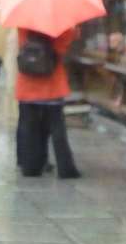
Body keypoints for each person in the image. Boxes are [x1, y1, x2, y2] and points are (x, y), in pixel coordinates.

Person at [15, 28, 81, 179]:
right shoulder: (61, 25)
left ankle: (30, 167)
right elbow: (63, 47)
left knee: (28, 127)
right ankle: (65, 168)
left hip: (28, 84)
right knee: (57, 128)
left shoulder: (24, 22)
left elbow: (21, 45)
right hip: (52, 84)